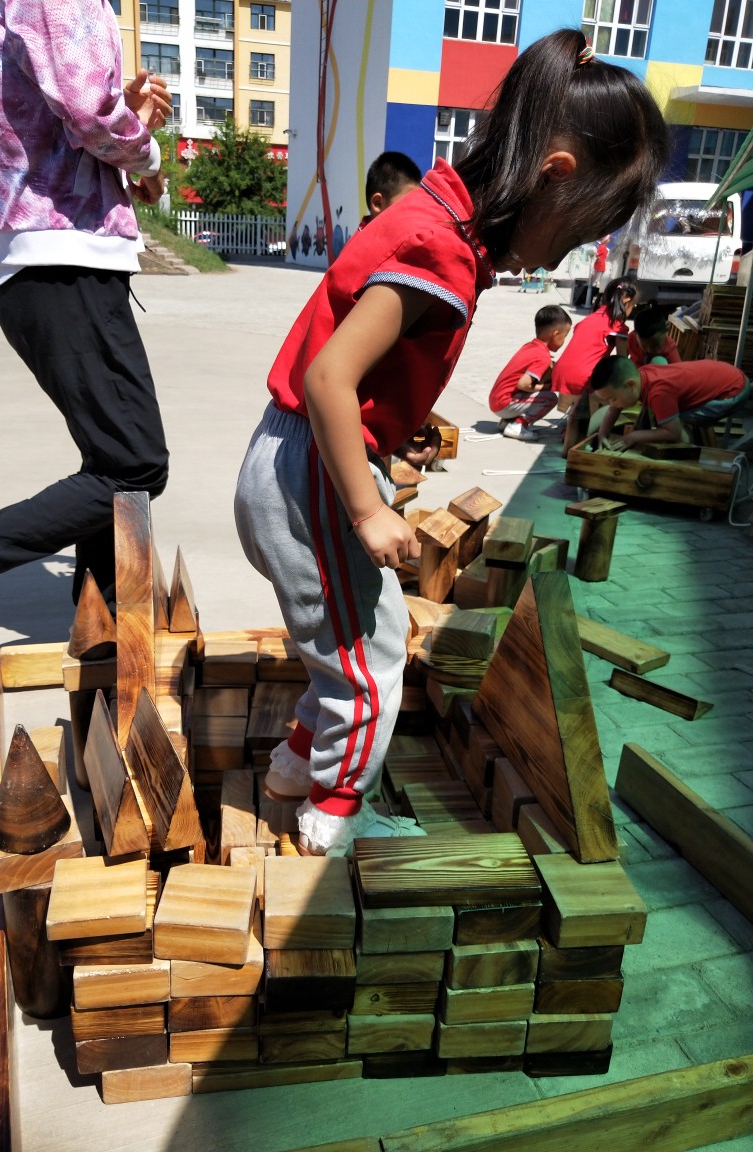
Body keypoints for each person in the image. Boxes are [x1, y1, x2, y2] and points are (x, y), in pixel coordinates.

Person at [234, 29, 668, 858]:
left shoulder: (434, 213)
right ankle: (335, 817)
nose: (570, 251)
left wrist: (385, 445)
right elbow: (329, 377)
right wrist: (367, 509)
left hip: (293, 457)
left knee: (343, 640)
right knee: (374, 657)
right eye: (579, 231)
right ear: (556, 174)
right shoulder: (440, 249)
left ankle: (297, 768)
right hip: (312, 470)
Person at [0, 0, 171, 629]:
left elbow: (67, 107)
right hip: (61, 256)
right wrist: (145, 151)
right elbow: (89, 114)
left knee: (112, 456)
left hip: (56, 257)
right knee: (134, 464)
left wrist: (124, 118)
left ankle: (105, 623)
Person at [362, 151, 443, 469]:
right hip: (348, 431)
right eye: (408, 207)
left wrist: (395, 434)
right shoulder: (370, 262)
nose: (416, 218)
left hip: (370, 428)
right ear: (378, 203)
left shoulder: (387, 256)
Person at [554, 276, 638, 455]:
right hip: (582, 376)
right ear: (627, 299)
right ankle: (585, 437)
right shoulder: (617, 326)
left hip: (563, 370)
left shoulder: (591, 317)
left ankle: (571, 431)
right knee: (615, 397)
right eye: (634, 304)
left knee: (583, 406)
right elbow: (622, 362)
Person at [590, 355, 751, 447]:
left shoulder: (659, 393)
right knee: (662, 415)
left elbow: (673, 432)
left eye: (613, 399)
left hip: (733, 391)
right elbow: (614, 409)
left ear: (630, 385)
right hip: (729, 374)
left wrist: (633, 437)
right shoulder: (641, 375)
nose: (612, 404)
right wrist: (602, 435)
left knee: (676, 427)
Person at [488, 304, 572, 441]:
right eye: (565, 336)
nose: (564, 341)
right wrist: (547, 387)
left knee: (536, 393)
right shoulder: (543, 357)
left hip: (495, 399)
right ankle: (518, 425)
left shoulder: (529, 347)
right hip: (504, 403)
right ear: (555, 334)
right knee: (550, 398)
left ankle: (507, 422)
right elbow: (523, 384)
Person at [625, 301, 681, 367]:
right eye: (644, 346)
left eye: (656, 345)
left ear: (666, 332)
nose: (649, 350)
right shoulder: (631, 338)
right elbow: (622, 361)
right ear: (635, 334)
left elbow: (677, 369)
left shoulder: (670, 348)